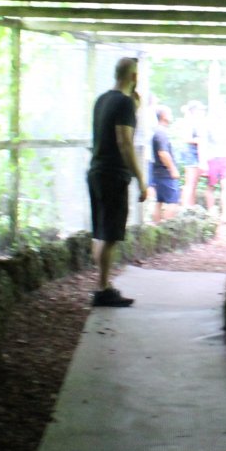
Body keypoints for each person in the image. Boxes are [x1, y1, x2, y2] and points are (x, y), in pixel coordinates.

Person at [86, 57, 147, 308]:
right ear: (133, 77)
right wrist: (140, 178)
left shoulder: (102, 100)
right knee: (110, 234)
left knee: (101, 232)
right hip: (113, 173)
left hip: (96, 170)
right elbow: (124, 141)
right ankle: (102, 289)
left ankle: (104, 285)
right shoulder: (124, 103)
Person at [202, 101, 226, 220]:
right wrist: (203, 162)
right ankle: (211, 211)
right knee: (211, 185)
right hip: (212, 158)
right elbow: (203, 143)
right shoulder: (208, 124)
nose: (223, 111)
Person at [148, 105, 182, 222]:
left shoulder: (157, 131)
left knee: (159, 201)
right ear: (163, 116)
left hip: (158, 173)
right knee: (173, 201)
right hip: (165, 173)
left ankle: (157, 228)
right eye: (170, 113)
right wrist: (172, 169)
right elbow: (163, 153)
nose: (171, 116)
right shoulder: (161, 133)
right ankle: (167, 227)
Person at [178, 101, 204, 207]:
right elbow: (186, 138)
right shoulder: (189, 121)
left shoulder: (196, 122)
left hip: (195, 153)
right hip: (190, 153)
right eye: (200, 109)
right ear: (194, 110)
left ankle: (191, 206)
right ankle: (185, 207)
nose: (202, 112)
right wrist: (198, 140)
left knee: (194, 184)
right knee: (190, 182)